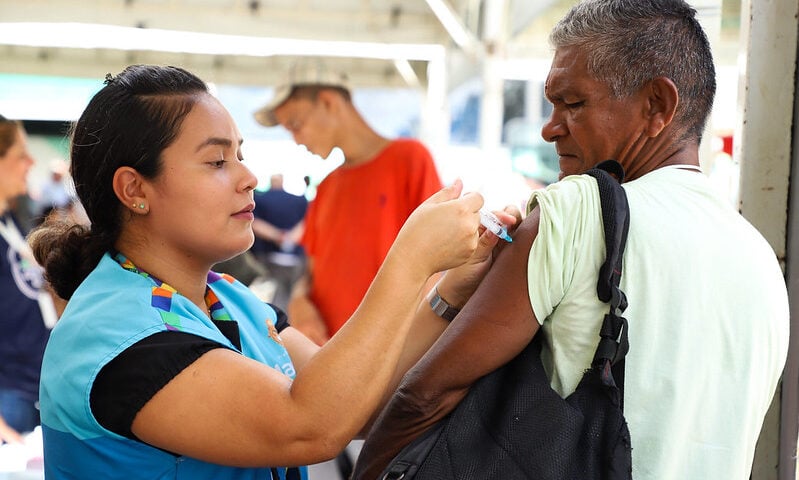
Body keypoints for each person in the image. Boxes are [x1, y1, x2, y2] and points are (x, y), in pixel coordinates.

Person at [352, 1, 790, 479]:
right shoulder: (761, 259)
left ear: (656, 106)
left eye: (573, 104)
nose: (549, 127)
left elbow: (424, 395)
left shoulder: (577, 210)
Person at [29, 64, 514, 479]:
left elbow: (359, 400)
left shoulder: (229, 298)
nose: (248, 177)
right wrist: (410, 261)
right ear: (135, 188)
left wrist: (447, 293)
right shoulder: (115, 333)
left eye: (240, 155)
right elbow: (311, 424)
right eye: (217, 160)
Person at [254, 60, 444, 345]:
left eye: (295, 124)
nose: (296, 140)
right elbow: (311, 270)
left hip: (390, 358)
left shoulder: (410, 160)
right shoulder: (327, 185)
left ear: (329, 102)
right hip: (330, 354)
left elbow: (438, 264)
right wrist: (299, 299)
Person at [0, 115, 54, 445]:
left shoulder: (11, 221)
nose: (32, 161)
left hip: (37, 388)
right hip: (9, 399)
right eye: (21, 154)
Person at [251, 173, 308, 310]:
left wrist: (277, 236)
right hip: (295, 257)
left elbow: (254, 223)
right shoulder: (299, 201)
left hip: (266, 256)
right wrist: (289, 238)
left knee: (265, 297)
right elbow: (306, 223)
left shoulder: (260, 200)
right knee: (289, 296)